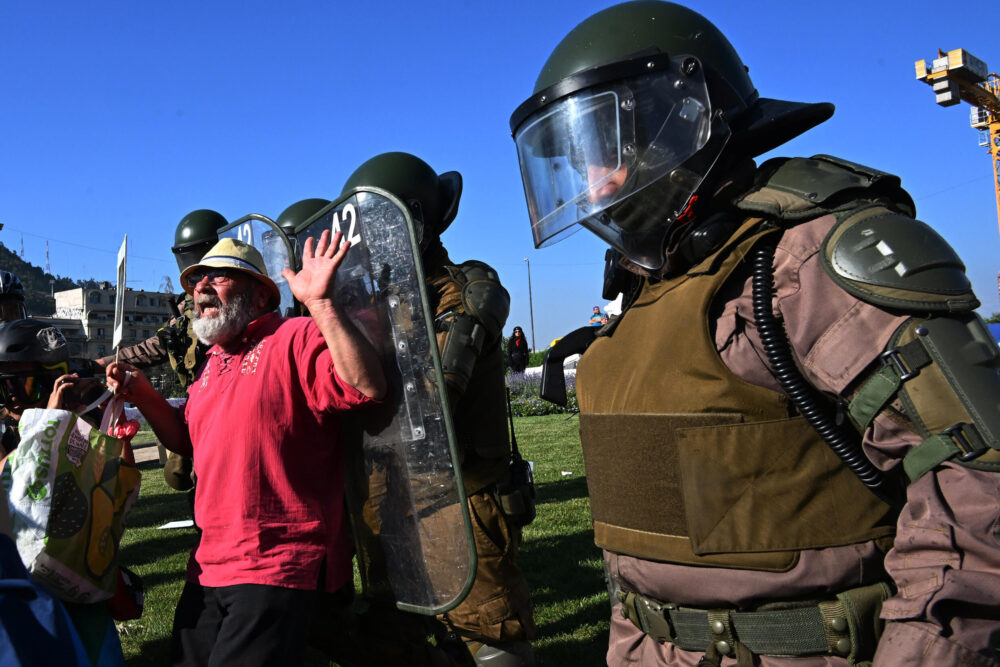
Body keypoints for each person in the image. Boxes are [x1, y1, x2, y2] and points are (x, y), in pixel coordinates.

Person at [509, 2, 1000, 665]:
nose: (590, 184)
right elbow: (641, 557)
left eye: (600, 148)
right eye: (575, 160)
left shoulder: (804, 261)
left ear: (676, 120)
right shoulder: (644, 294)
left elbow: (975, 488)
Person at [106, 235, 385, 667]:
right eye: (196, 279)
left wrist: (323, 305)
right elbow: (189, 442)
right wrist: (142, 393)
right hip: (209, 563)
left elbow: (365, 386)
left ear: (259, 295)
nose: (200, 287)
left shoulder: (296, 336)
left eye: (217, 277)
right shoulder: (211, 362)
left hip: (276, 562)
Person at [340, 152, 536, 666]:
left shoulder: (465, 288)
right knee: (392, 635)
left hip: (462, 498)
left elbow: (437, 390)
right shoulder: (367, 301)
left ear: (416, 221)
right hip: (392, 499)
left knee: (487, 636)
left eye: (380, 228)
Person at [0, 318, 128, 666]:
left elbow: (114, 492)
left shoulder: (74, 421)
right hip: (22, 583)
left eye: (21, 383)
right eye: (3, 385)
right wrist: (47, 424)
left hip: (75, 580)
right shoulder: (6, 428)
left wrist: (110, 427)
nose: (11, 395)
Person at [97, 209, 230, 496]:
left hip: (227, 411)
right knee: (180, 474)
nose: (202, 286)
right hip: (200, 410)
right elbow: (152, 349)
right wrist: (99, 364)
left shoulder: (236, 303)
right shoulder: (186, 312)